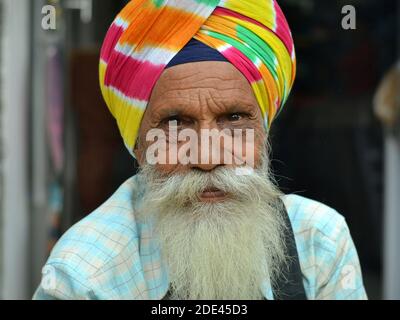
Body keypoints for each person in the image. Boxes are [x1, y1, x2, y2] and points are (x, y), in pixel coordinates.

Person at [33, 0, 367, 300]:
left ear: (263, 133)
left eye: (234, 118)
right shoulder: (81, 277)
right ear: (137, 145)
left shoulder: (319, 243)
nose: (207, 158)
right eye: (175, 123)